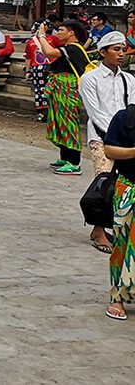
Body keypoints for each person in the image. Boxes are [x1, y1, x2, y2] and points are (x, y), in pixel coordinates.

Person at [78, 31, 134, 253]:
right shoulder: (90, 79)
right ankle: (98, 228)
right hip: (101, 136)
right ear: (103, 52)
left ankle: (120, 224)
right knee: (105, 181)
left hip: (128, 137)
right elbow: (95, 111)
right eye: (116, 49)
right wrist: (113, 135)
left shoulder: (129, 79)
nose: (121, 54)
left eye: (123, 49)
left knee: (125, 182)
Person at [37, 20, 92, 175]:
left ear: (71, 33)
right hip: (60, 88)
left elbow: (49, 52)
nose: (57, 33)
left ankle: (74, 162)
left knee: (68, 122)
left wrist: (42, 35)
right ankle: (65, 156)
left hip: (68, 89)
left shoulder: (74, 48)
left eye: (60, 30)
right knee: (59, 121)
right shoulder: (69, 48)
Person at [102, 97, 135, 321]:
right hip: (128, 187)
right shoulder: (125, 118)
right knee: (122, 242)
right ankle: (117, 297)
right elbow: (109, 150)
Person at [25, 19, 53, 122]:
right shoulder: (31, 41)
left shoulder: (53, 39)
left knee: (51, 90)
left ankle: (52, 112)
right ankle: (42, 113)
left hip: (50, 67)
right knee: (39, 91)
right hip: (37, 68)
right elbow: (28, 57)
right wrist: (28, 71)